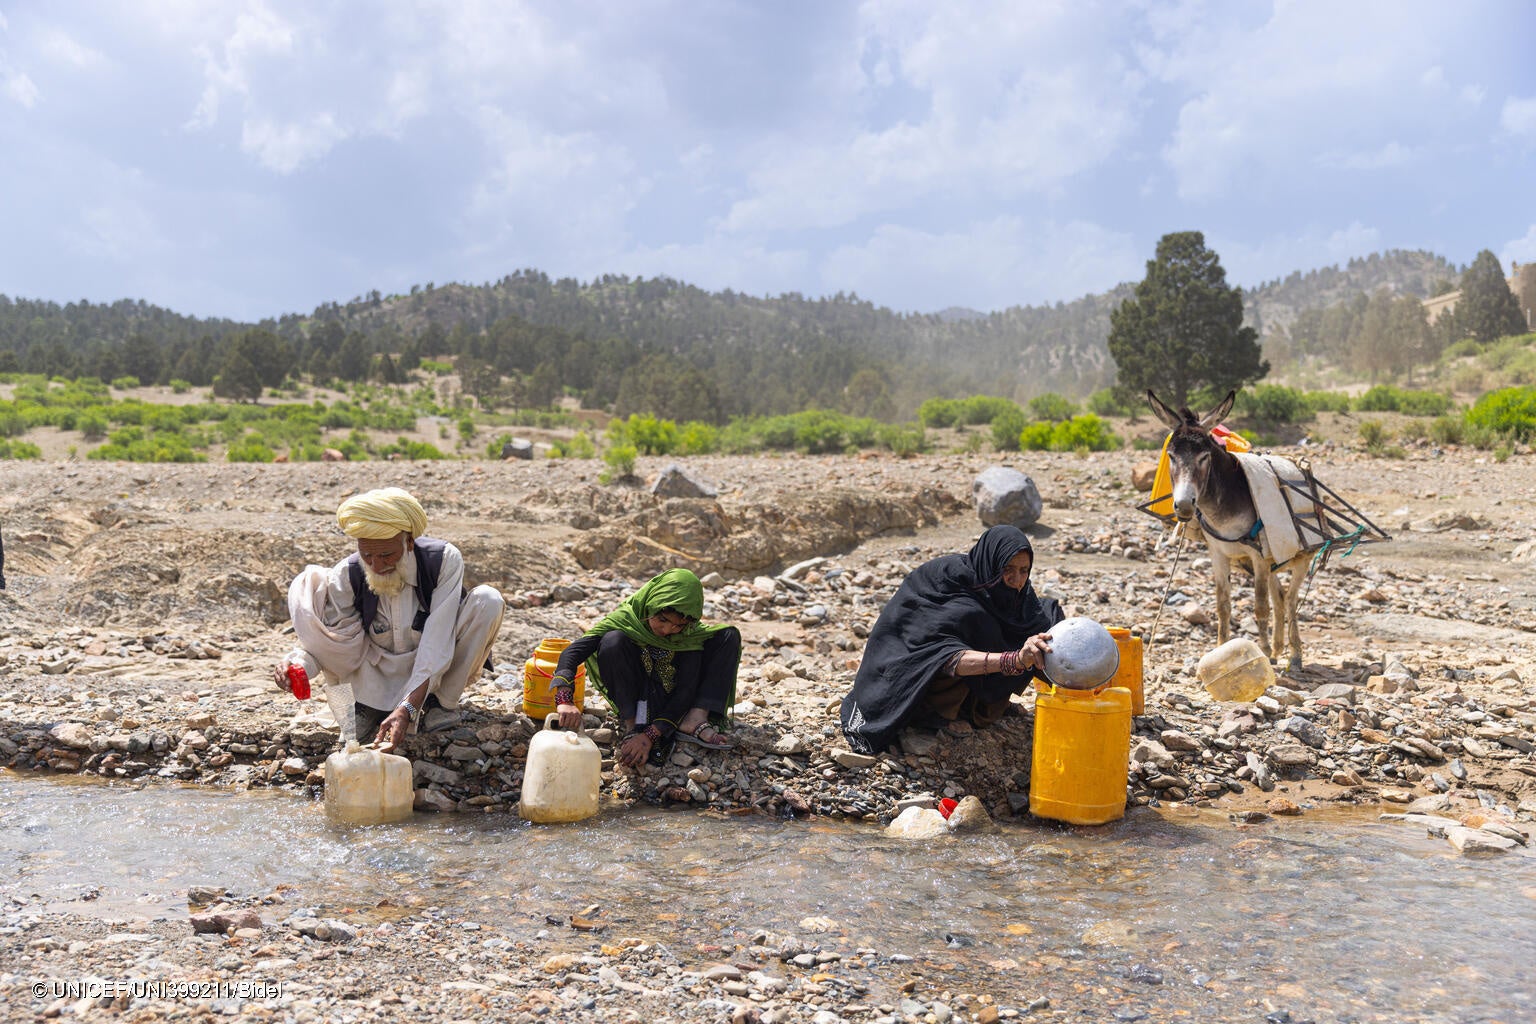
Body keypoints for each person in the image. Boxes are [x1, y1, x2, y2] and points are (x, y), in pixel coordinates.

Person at [276, 487, 505, 751]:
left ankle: (440, 704)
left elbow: (437, 640)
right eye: (367, 555)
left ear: (408, 542)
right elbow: (334, 646)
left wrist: (408, 706)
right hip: (373, 671)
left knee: (488, 600)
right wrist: (297, 666)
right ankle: (365, 707)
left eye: (386, 555)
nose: (375, 565)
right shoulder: (347, 575)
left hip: (432, 667)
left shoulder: (442, 560)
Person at [840, 525, 1063, 754]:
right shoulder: (949, 583)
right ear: (992, 563)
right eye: (1008, 569)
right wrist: (1015, 659)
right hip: (907, 673)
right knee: (977, 623)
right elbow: (944, 656)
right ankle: (937, 714)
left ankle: (978, 708)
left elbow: (1040, 626)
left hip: (973, 673)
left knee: (1048, 617)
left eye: (1024, 571)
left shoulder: (1014, 592)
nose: (1016, 580)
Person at [550, 568, 741, 768]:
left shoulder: (690, 637)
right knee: (612, 640)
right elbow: (572, 653)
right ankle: (631, 726)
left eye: (678, 626)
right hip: (636, 697)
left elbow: (686, 689)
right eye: (663, 620)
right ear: (651, 606)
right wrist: (564, 700)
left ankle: (694, 719)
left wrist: (650, 735)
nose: (668, 630)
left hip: (678, 699)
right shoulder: (627, 618)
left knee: (728, 635)